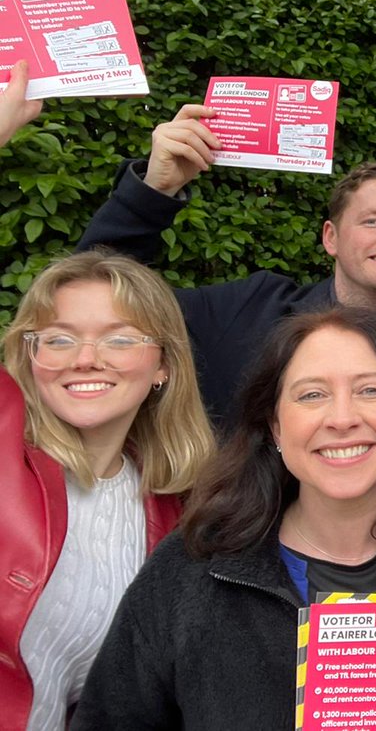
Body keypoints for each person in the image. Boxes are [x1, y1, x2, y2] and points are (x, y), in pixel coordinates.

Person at [72, 307, 376, 729]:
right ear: (275, 426)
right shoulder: (195, 565)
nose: (342, 417)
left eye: (371, 390)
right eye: (311, 395)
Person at [75, 105, 376, 434]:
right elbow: (98, 299)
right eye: (372, 221)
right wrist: (152, 192)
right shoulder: (250, 311)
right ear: (330, 238)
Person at [1, 249, 215, 731]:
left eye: (119, 339)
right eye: (58, 339)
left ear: (163, 365)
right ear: (30, 355)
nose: (85, 360)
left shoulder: (171, 511)